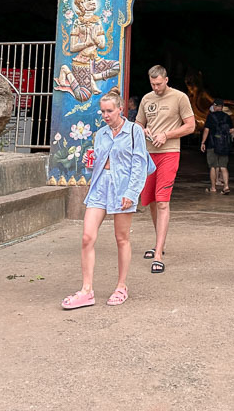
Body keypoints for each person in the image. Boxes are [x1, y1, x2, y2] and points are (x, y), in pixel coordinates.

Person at [61, 90, 151, 310]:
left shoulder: (133, 132)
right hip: (100, 186)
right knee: (87, 237)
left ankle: (121, 286)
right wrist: (89, 160)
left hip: (123, 187)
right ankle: (86, 290)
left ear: (121, 109)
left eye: (110, 110)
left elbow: (139, 164)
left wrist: (132, 192)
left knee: (121, 238)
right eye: (102, 111)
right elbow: (100, 160)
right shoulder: (100, 133)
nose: (105, 115)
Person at [135, 64, 196, 274]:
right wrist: (144, 130)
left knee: (162, 201)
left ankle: (158, 255)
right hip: (149, 154)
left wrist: (166, 135)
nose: (156, 87)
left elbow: (190, 126)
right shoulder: (146, 99)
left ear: (166, 80)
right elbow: (138, 124)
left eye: (159, 83)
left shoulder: (179, 97)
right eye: (152, 84)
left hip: (169, 152)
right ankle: (158, 243)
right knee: (151, 201)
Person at [201, 99, 234, 194]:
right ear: (222, 107)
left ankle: (213, 188)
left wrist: (203, 142)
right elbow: (232, 130)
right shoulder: (227, 117)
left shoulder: (210, 116)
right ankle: (226, 186)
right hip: (224, 145)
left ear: (215, 106)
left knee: (213, 166)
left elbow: (206, 130)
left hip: (212, 144)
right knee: (223, 166)